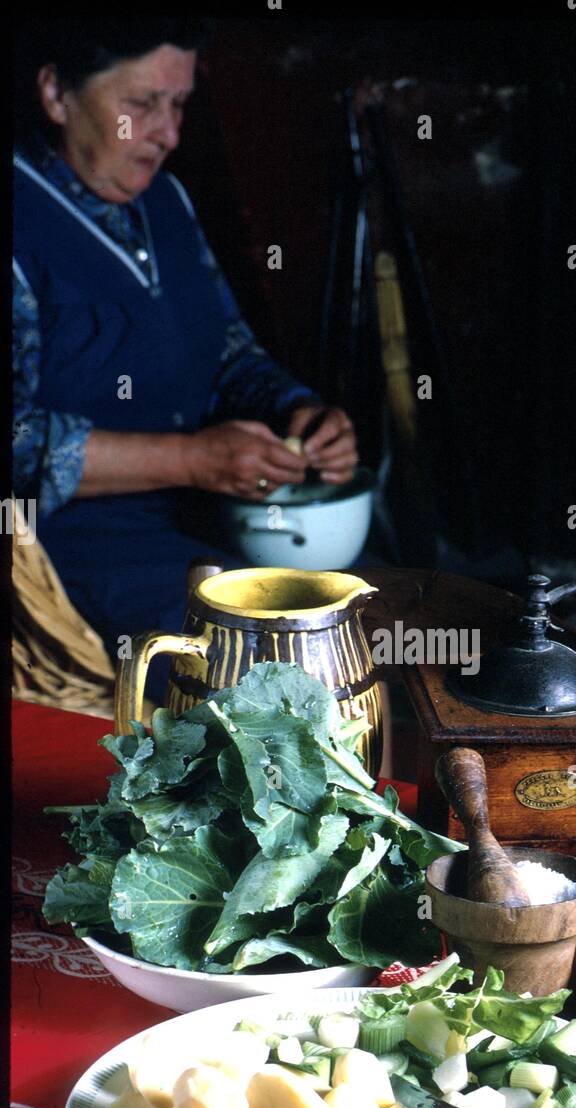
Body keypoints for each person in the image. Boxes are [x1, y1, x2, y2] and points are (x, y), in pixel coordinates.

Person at [13, 20, 359, 693]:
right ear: (56, 93)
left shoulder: (165, 202)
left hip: (206, 525)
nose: (169, 134)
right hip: (74, 559)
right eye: (141, 105)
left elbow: (229, 351)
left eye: (178, 105)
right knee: (268, 678)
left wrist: (299, 410)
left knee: (376, 608)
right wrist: (191, 460)